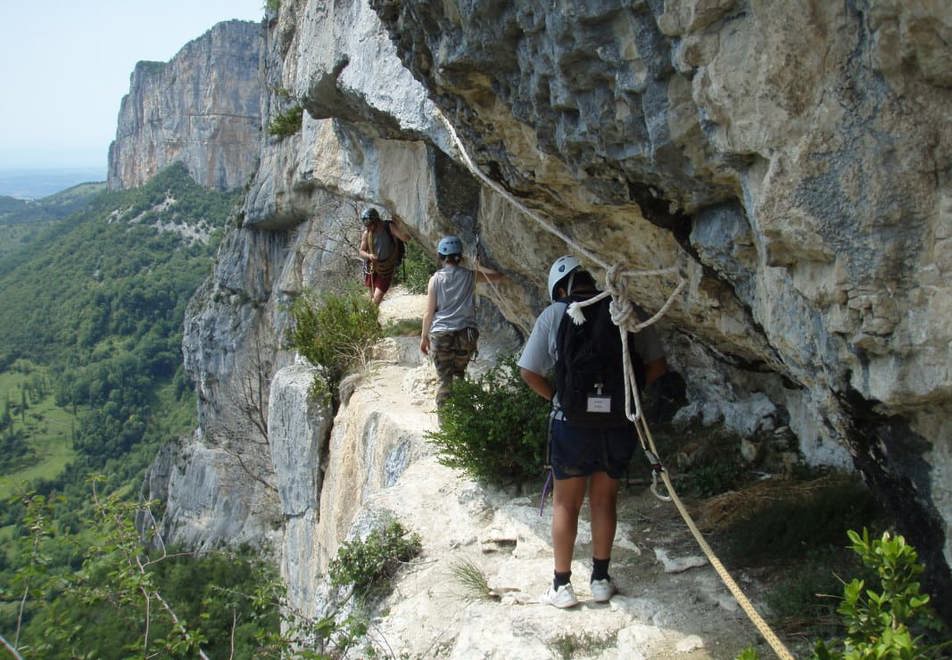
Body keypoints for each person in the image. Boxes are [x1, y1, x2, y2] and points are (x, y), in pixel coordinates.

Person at [518, 255, 667, 608]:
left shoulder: (554, 314)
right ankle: (600, 580)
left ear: (560, 288)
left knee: (566, 503)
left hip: (571, 427)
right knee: (604, 500)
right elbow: (658, 366)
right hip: (618, 423)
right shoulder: (624, 309)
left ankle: (562, 586)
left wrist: (559, 398)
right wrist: (624, 396)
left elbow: (528, 371)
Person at [420, 235, 504, 408]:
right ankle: (462, 416)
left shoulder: (435, 279)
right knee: (458, 375)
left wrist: (424, 336)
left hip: (441, 333)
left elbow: (429, 312)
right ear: (460, 256)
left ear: (441, 256)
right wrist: (479, 266)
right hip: (466, 333)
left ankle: (447, 424)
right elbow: (497, 277)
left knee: (445, 379)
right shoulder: (470, 276)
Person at [358, 207, 410, 305]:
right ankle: (373, 318)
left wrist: (400, 224)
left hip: (386, 269)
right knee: (372, 296)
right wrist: (369, 256)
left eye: (370, 225)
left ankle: (369, 317)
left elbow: (405, 238)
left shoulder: (389, 227)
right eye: (367, 226)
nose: (368, 228)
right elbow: (361, 251)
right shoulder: (367, 233)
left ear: (376, 221)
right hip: (372, 267)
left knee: (377, 298)